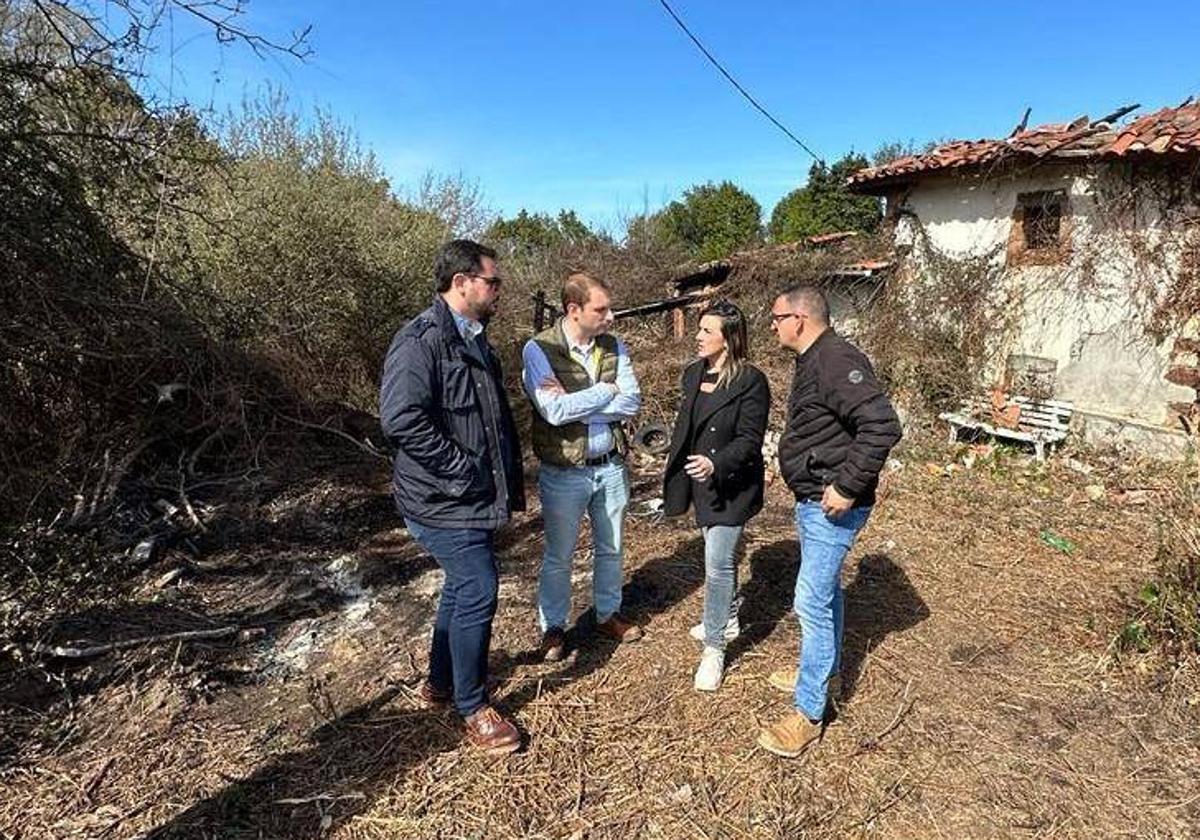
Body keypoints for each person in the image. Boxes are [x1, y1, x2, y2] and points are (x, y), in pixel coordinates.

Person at [379, 239, 526, 755]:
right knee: (480, 587)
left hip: (468, 495)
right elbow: (400, 420)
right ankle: (473, 706)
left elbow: (488, 421)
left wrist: (500, 479)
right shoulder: (421, 341)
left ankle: (439, 684)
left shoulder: (475, 338)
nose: (498, 290)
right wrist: (462, 470)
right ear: (461, 283)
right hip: (441, 499)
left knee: (461, 588)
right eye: (493, 281)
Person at [757, 283, 902, 758]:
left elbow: (882, 425)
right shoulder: (814, 358)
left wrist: (846, 486)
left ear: (798, 319)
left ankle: (809, 712)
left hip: (832, 504)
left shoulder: (836, 358)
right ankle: (822, 671)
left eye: (777, 318)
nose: (773, 326)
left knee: (811, 600)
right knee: (826, 592)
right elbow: (824, 427)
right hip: (813, 500)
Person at [522, 272, 642, 662]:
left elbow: (632, 402)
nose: (611, 316)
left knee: (612, 547)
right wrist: (606, 391)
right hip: (564, 473)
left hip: (610, 466)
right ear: (574, 310)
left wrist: (582, 401)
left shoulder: (613, 345)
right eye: (601, 309)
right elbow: (553, 412)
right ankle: (553, 628)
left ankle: (608, 614)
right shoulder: (539, 349)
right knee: (559, 554)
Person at [663, 300, 769, 691]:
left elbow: (749, 440)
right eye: (699, 329)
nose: (698, 335)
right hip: (698, 482)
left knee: (718, 563)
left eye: (707, 330)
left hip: (731, 483)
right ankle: (727, 615)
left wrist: (714, 463)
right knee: (716, 553)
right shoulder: (693, 374)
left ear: (729, 339)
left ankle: (715, 648)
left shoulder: (751, 381)